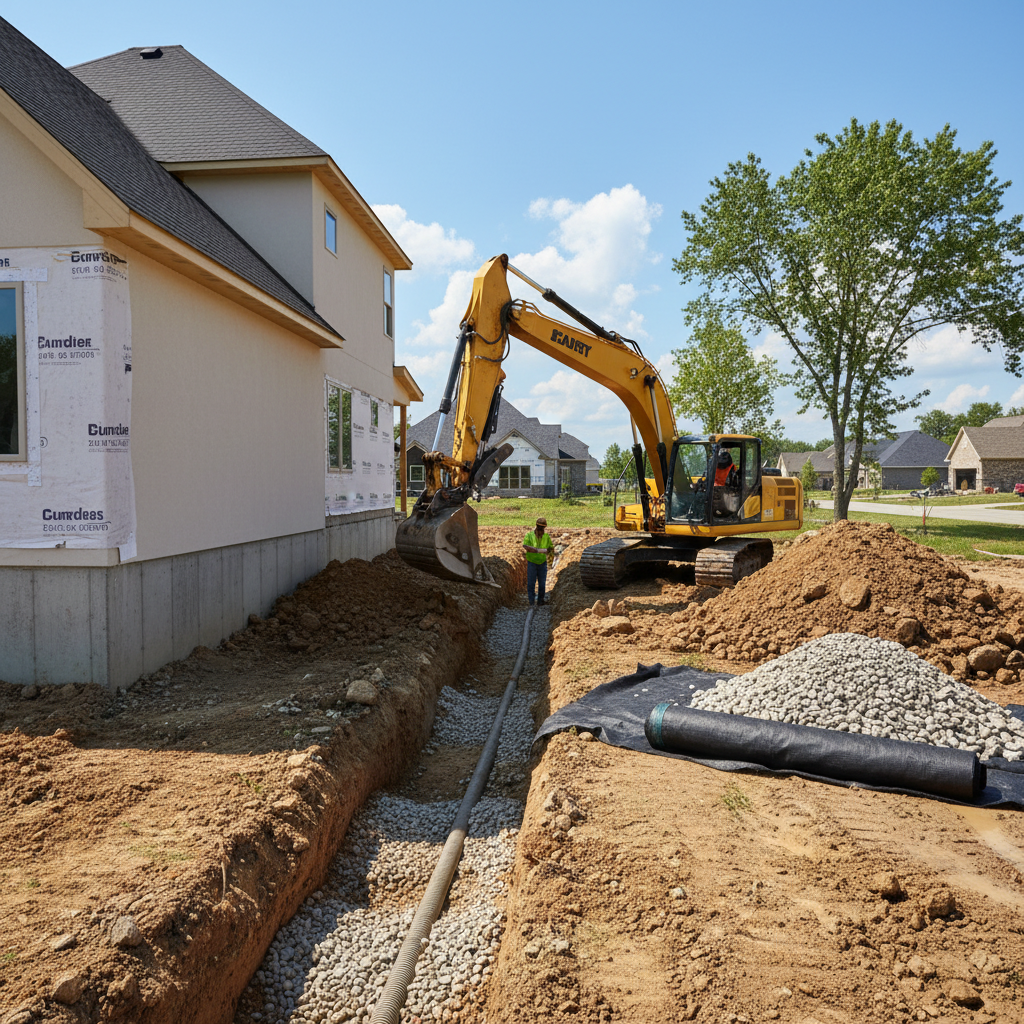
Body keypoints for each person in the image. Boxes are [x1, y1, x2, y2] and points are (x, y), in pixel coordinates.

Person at [523, 517, 555, 606]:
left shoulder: (546, 536)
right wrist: (538, 550)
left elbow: (551, 549)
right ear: (536, 526)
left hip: (542, 563)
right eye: (540, 528)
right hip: (532, 563)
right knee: (531, 583)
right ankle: (532, 602)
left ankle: (540, 601)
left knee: (542, 584)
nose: (541, 530)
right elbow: (526, 546)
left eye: (543, 528)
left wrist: (550, 560)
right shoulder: (529, 536)